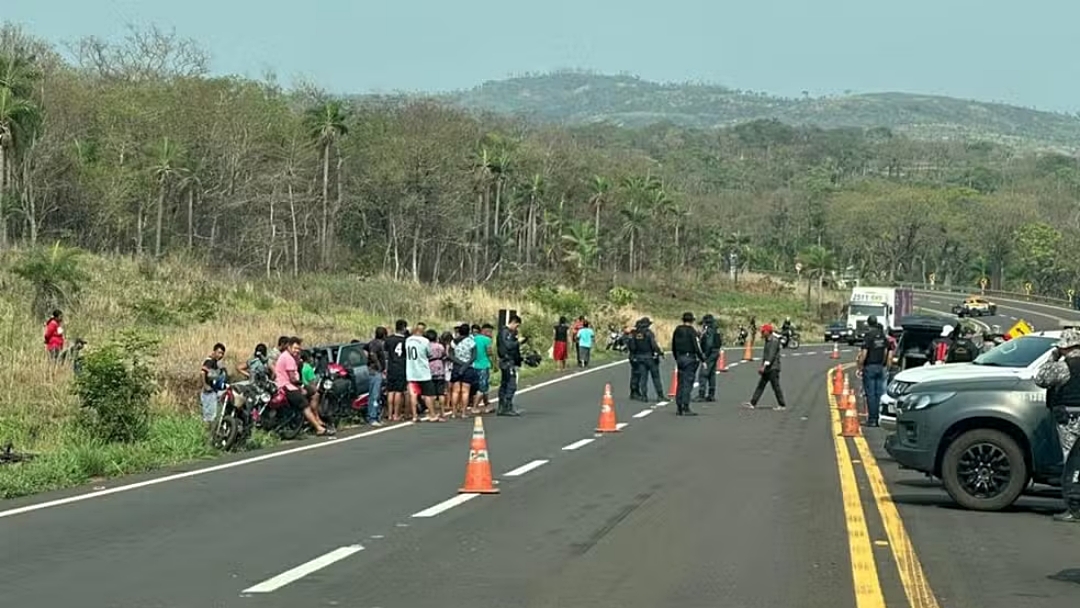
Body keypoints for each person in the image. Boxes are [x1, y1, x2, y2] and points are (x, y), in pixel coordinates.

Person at [1032, 328, 1080, 523]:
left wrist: (1052, 357)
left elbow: (1040, 378)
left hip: (1070, 420)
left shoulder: (1065, 367)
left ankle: (1074, 507)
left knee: (1072, 464)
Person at [274, 337, 333, 436]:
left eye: (298, 349)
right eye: (295, 348)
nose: (297, 351)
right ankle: (318, 428)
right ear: (289, 347)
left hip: (293, 385)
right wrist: (301, 387)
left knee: (315, 392)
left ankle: (317, 418)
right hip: (287, 386)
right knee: (304, 404)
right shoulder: (287, 358)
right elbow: (293, 379)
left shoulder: (293, 357)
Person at [856, 316, 890, 427]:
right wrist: (883, 363)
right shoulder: (883, 336)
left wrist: (860, 366)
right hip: (880, 366)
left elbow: (864, 353)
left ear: (868, 323)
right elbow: (886, 352)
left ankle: (872, 419)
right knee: (879, 393)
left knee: (870, 394)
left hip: (870, 367)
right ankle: (879, 417)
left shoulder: (869, 336)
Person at [744, 324, 787, 411]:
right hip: (768, 367)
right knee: (761, 385)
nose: (762, 333)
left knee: (775, 386)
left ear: (768, 332)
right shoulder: (768, 340)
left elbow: (771, 355)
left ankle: (782, 404)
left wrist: (764, 366)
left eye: (763, 331)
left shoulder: (773, 341)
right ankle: (753, 403)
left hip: (773, 368)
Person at [671, 312, 706, 416]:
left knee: (680, 382)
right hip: (689, 357)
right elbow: (696, 346)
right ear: (692, 320)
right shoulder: (692, 331)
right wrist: (702, 360)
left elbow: (673, 345)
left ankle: (679, 407)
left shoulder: (677, 330)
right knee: (688, 383)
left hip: (680, 357)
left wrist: (676, 358)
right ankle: (685, 406)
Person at [405, 324, 439, 422]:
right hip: (423, 372)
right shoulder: (425, 341)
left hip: (411, 371)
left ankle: (415, 416)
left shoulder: (408, 340)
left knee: (413, 394)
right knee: (428, 395)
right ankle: (432, 414)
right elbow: (429, 353)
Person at [627, 317, 664, 401]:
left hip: (639, 357)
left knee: (643, 377)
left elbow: (632, 346)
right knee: (655, 377)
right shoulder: (648, 333)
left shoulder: (634, 334)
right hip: (650, 357)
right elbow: (653, 344)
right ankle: (660, 395)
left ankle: (644, 396)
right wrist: (659, 352)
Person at [496, 314, 526, 416]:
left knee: (504, 383)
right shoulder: (506, 333)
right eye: (517, 326)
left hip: (506, 360)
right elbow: (508, 346)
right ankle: (507, 406)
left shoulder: (503, 332)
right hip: (507, 361)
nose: (516, 328)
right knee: (511, 384)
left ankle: (502, 406)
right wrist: (518, 342)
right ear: (513, 322)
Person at [449, 324, 478, 418]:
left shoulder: (454, 342)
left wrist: (459, 363)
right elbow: (474, 356)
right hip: (468, 368)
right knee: (465, 391)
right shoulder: (471, 342)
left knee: (455, 391)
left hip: (456, 367)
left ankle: (453, 412)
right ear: (468, 331)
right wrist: (465, 364)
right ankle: (463, 412)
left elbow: (450, 355)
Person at [200, 343, 228, 434]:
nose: (221, 355)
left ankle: (211, 434)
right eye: (219, 353)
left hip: (212, 392)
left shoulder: (215, 363)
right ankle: (206, 435)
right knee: (209, 417)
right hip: (208, 393)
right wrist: (205, 385)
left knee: (212, 415)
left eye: (222, 354)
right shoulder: (210, 361)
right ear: (214, 352)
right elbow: (202, 372)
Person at [384, 320, 409, 422]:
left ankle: (389, 414)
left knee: (390, 391)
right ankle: (396, 414)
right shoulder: (406, 340)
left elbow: (385, 354)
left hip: (391, 367)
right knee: (398, 392)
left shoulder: (388, 339)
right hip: (401, 367)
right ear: (403, 328)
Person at [696, 313, 722, 402]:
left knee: (703, 373)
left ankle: (701, 394)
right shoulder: (716, 329)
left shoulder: (709, 330)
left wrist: (705, 355)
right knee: (711, 374)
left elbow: (709, 343)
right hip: (716, 352)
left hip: (710, 353)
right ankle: (711, 394)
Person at [366, 327, 387, 426]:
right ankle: (372, 417)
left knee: (377, 394)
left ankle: (376, 416)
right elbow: (372, 354)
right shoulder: (376, 344)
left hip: (375, 371)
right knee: (374, 395)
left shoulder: (372, 343)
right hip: (375, 372)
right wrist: (378, 366)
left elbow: (365, 349)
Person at [472, 323, 495, 413]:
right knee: (482, 387)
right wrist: (493, 362)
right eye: (490, 332)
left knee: (483, 386)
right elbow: (489, 352)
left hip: (474, 365)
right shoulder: (487, 340)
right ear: (486, 331)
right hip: (483, 365)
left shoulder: (474, 339)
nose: (491, 334)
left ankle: (487, 404)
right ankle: (475, 407)